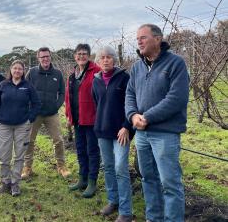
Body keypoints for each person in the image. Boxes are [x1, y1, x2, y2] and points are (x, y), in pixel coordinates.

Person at [125, 24, 189, 222]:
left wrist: (147, 117)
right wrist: (133, 115)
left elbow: (176, 98)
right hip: (142, 134)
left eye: (143, 37)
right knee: (148, 179)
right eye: (138, 39)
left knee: (170, 183)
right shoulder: (137, 67)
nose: (139, 41)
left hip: (165, 134)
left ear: (158, 39)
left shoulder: (175, 63)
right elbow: (130, 94)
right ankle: (153, 218)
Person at [92, 46, 134, 222]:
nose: (106, 60)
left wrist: (126, 126)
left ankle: (125, 211)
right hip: (102, 131)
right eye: (102, 57)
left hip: (121, 132)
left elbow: (132, 103)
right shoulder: (96, 80)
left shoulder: (124, 78)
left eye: (109, 57)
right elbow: (97, 103)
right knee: (108, 167)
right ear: (98, 61)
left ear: (114, 60)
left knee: (120, 169)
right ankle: (113, 201)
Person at [0, 60, 41, 196]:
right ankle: (5, 182)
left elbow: (36, 104)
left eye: (20, 69)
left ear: (23, 71)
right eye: (15, 68)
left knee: (19, 155)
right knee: (4, 155)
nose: (17, 71)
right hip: (4, 126)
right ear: (11, 70)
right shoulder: (3, 85)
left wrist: (29, 119)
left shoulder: (28, 86)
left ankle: (15, 183)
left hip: (22, 126)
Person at [21, 47, 71, 179]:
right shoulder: (32, 73)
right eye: (42, 57)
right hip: (35, 114)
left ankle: (61, 166)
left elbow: (62, 92)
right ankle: (27, 167)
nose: (45, 59)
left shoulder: (58, 74)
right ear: (38, 58)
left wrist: (56, 105)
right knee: (29, 141)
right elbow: (24, 89)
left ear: (50, 57)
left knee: (58, 140)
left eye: (47, 56)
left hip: (51, 113)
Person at [65, 43, 102, 198]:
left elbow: (101, 97)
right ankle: (83, 179)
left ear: (89, 56)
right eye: (79, 54)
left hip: (92, 119)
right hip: (77, 120)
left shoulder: (96, 72)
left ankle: (92, 182)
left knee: (92, 151)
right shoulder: (73, 75)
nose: (81, 56)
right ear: (75, 56)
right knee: (80, 150)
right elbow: (68, 97)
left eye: (84, 54)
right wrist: (68, 116)